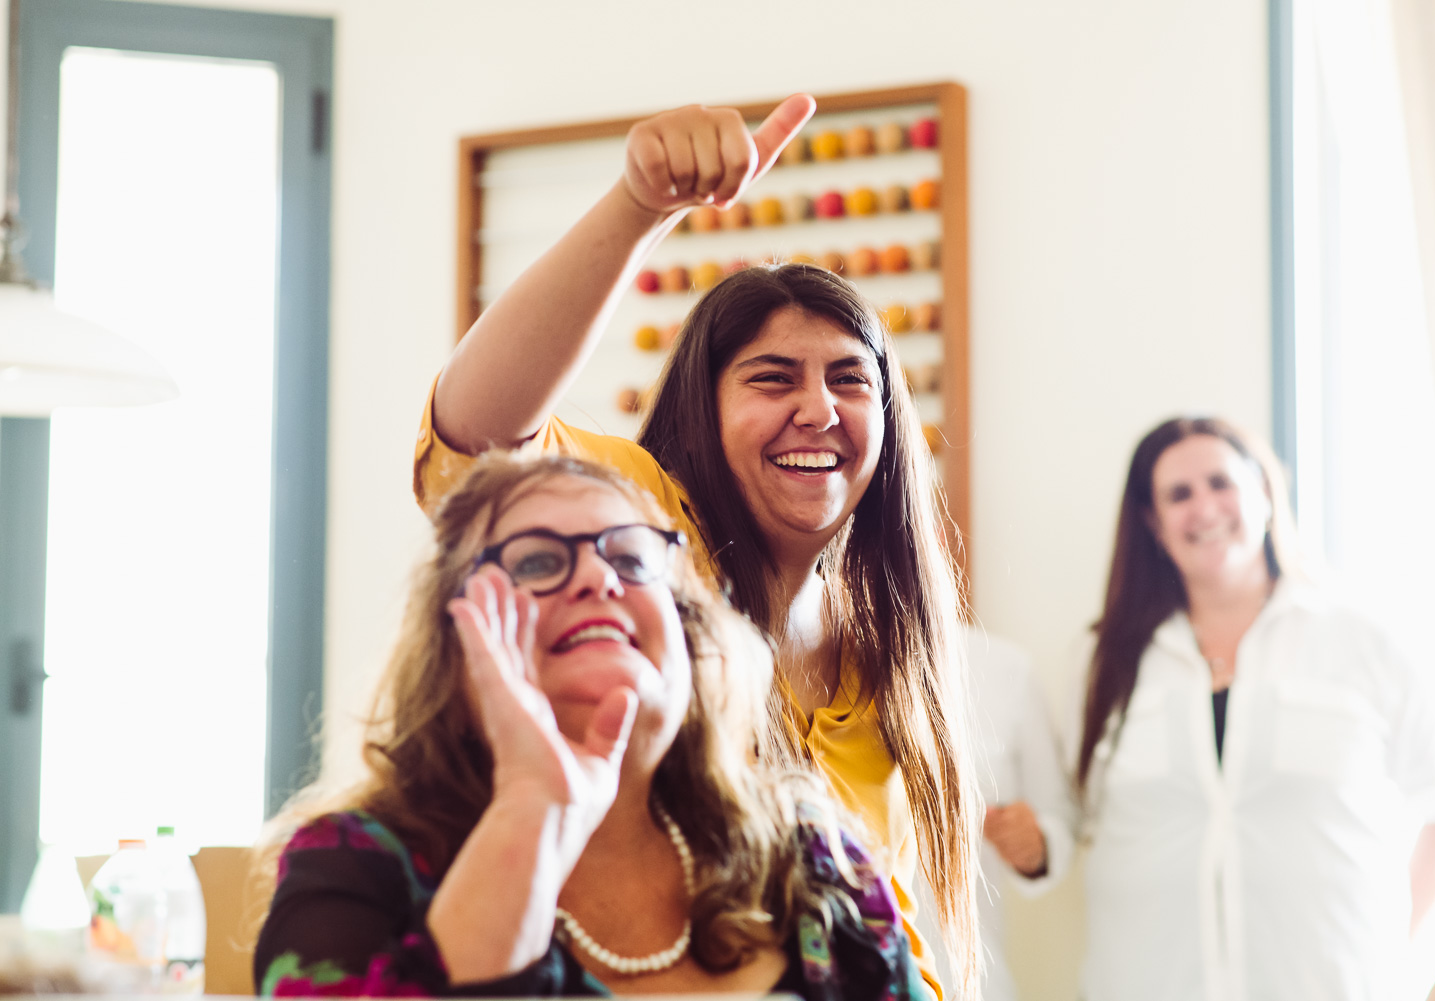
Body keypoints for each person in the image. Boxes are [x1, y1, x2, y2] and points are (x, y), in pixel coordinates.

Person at [414, 94, 978, 996]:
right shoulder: (643, 531)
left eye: (849, 379)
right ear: (701, 414)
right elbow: (475, 442)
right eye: (772, 378)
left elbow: (880, 938)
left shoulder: (885, 655)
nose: (820, 409)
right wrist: (640, 206)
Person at [254, 453, 928, 999]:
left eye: (632, 559)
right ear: (452, 649)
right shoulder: (352, 867)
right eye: (537, 562)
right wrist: (531, 807)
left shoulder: (817, 861)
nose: (598, 578)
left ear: (690, 634)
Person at [1067, 415, 1435, 1001]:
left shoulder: (1363, 638)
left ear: (1263, 492)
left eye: (1221, 483)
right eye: (1179, 495)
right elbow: (1080, 817)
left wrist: (1385, 945)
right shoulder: (1104, 659)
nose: (1204, 507)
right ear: (1153, 523)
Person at [912, 627, 1075, 1001]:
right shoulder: (808, 662)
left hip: (968, 979)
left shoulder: (1006, 669)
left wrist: (1035, 845)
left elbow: (1059, 815)